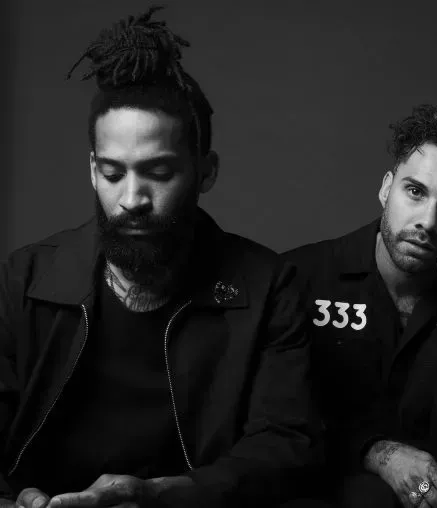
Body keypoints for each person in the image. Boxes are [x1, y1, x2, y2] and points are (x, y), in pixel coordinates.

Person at [0, 7, 325, 508]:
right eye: (113, 174)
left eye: (158, 173)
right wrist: (13, 497)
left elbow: (285, 445)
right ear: (92, 170)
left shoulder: (267, 287)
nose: (132, 199)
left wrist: (159, 496)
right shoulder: (24, 279)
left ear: (205, 172)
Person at [283, 104, 437, 507]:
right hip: (325, 478)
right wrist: (378, 453)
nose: (427, 221)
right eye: (415, 192)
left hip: (433, 483)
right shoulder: (299, 277)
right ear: (386, 188)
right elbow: (282, 423)